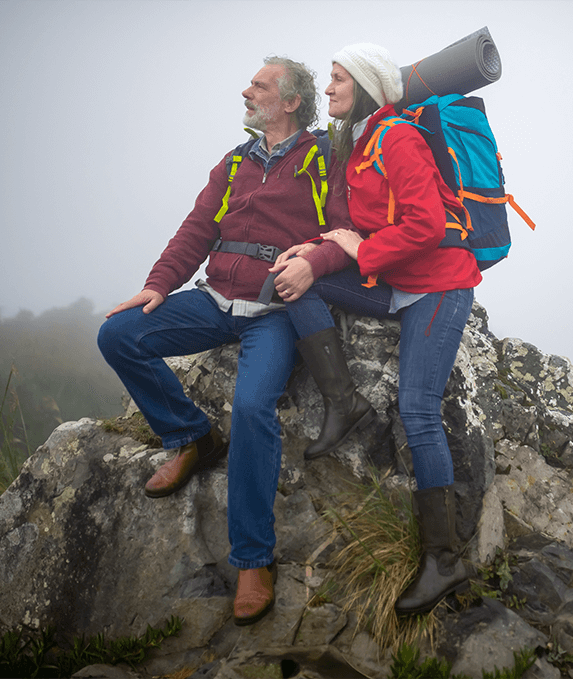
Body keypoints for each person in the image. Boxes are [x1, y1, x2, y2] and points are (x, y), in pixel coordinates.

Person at [97, 56, 355, 627]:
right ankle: (190, 435)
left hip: (274, 310)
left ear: (290, 101)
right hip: (214, 299)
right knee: (118, 334)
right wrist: (156, 286)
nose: (246, 91)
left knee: (253, 406)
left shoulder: (321, 159)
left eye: (259, 85)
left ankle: (252, 561)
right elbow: (196, 229)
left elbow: (343, 231)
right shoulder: (235, 160)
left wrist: (314, 261)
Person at [267, 43, 481, 615]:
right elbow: (345, 233)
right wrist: (314, 252)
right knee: (295, 281)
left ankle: (444, 558)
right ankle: (344, 402)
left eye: (338, 79)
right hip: (393, 281)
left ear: (362, 86)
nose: (329, 88)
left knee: (417, 409)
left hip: (437, 284)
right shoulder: (357, 145)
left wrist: (362, 247)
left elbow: (428, 225)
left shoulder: (398, 138)